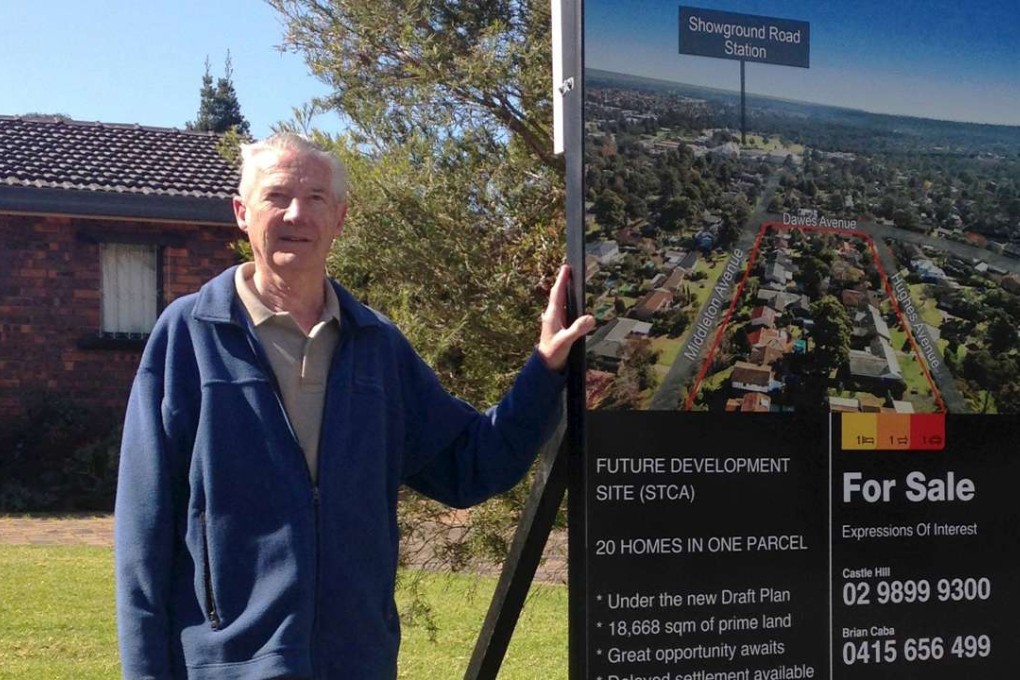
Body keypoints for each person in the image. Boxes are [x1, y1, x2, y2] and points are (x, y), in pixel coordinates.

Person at [114, 133, 593, 679]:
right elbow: (143, 532)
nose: (297, 214)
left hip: (358, 662)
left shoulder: (375, 346)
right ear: (242, 213)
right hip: (228, 666)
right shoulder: (189, 335)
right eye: (277, 197)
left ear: (339, 218)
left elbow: (470, 466)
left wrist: (545, 369)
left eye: (316, 198)